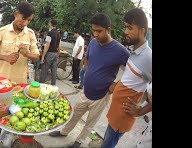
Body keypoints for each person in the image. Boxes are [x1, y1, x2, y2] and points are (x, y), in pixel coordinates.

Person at [49, 13, 130, 148]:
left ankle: (78, 142)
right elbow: (87, 58)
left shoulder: (120, 50)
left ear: (108, 30)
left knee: (90, 123)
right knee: (74, 114)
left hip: (101, 96)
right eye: (94, 30)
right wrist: (87, 71)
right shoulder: (93, 42)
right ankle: (64, 132)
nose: (95, 34)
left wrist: (117, 85)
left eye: (99, 31)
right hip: (85, 91)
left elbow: (133, 71)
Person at [101, 8, 152, 148]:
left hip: (123, 116)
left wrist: (140, 111)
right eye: (125, 27)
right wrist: (117, 85)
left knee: (107, 145)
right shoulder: (134, 51)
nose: (125, 32)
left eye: (130, 28)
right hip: (116, 112)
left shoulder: (149, 58)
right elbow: (131, 76)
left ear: (142, 30)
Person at [0, 1, 40, 84]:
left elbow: (36, 57)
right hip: (2, 81)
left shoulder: (30, 34)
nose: (25, 23)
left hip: (21, 81)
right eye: (23, 19)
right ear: (16, 14)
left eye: (29, 20)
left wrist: (27, 54)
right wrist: (6, 57)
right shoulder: (2, 31)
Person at [40, 19, 61, 85]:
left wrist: (43, 56)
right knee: (54, 71)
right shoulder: (58, 34)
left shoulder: (49, 33)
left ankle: (40, 85)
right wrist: (58, 54)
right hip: (55, 54)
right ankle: (53, 86)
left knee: (44, 70)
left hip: (49, 54)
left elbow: (47, 46)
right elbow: (59, 46)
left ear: (51, 24)